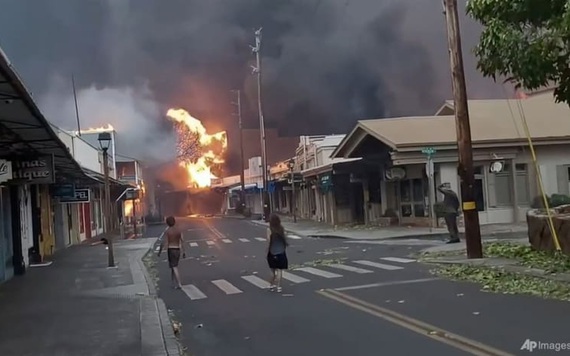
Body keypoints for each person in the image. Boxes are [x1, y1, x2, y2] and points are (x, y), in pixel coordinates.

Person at [157, 216, 185, 289]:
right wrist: (184, 251)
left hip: (171, 249)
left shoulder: (168, 231)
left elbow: (164, 242)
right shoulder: (179, 230)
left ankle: (179, 283)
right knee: (173, 266)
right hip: (177, 249)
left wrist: (160, 251)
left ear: (167, 223)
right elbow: (182, 240)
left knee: (174, 266)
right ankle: (173, 282)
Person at [266, 214, 289, 293]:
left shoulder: (269, 229)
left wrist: (267, 249)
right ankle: (279, 287)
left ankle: (271, 285)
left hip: (272, 252)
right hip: (281, 252)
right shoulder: (281, 228)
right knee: (279, 270)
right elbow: (285, 237)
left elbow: (269, 241)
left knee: (272, 271)